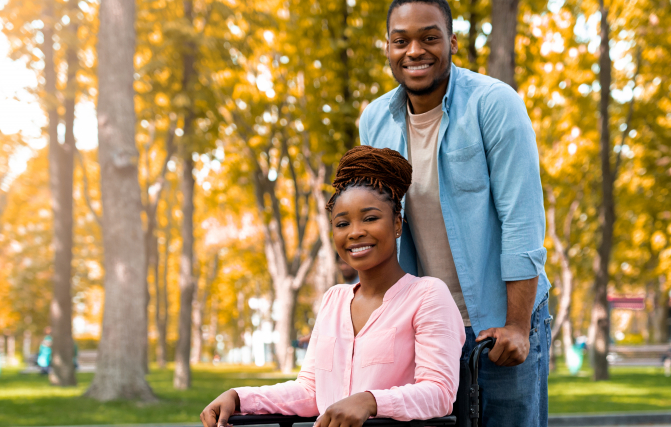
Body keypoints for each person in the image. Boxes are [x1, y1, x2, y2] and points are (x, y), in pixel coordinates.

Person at [359, 1, 552, 425]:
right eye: (401, 40)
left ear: (452, 43)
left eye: (429, 37)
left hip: (499, 323)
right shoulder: (374, 121)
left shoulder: (494, 104)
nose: (415, 51)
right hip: (426, 329)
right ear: (388, 48)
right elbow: (376, 229)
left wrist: (518, 326)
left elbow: (522, 219)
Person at [201, 146, 465, 427]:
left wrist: (369, 401)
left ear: (397, 223)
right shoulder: (334, 300)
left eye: (370, 218)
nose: (355, 232)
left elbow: (439, 393)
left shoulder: (427, 296)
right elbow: (310, 391)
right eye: (342, 223)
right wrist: (239, 397)